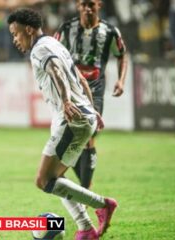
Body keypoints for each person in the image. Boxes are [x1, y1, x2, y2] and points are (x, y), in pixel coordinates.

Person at [7, 8, 117, 239]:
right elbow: (78, 76)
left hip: (71, 119)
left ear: (28, 29)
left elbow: (56, 70)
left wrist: (67, 101)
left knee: (43, 180)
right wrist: (92, 110)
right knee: (55, 178)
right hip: (82, 116)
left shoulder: (40, 48)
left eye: (16, 34)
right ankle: (86, 229)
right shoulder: (55, 44)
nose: (14, 40)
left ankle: (102, 205)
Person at [54, 0, 128, 189]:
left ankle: (86, 191)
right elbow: (52, 53)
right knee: (71, 140)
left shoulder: (110, 31)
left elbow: (121, 55)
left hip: (94, 91)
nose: (88, 8)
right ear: (78, 6)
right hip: (70, 92)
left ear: (99, 5)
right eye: (84, 4)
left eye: (91, 4)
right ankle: (87, 187)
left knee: (87, 136)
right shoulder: (66, 28)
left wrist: (121, 80)